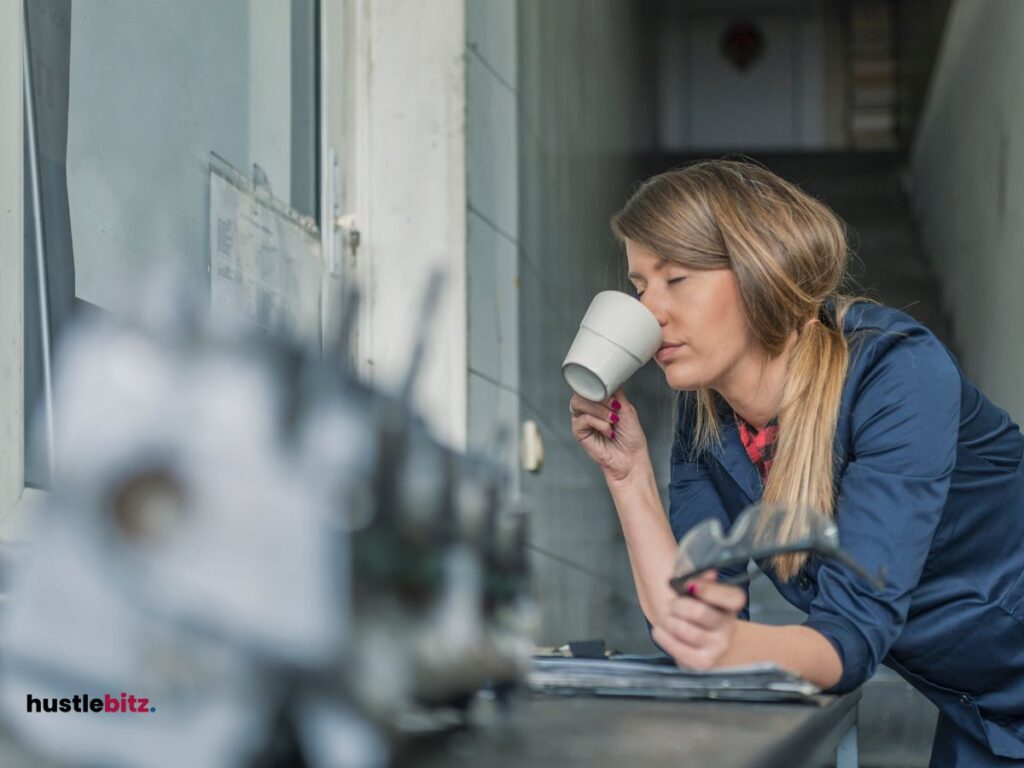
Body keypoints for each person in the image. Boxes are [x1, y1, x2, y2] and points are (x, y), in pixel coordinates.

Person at [569, 159, 1024, 767]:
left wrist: (733, 647)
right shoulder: (706, 416)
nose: (650, 313)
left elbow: (850, 637)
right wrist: (628, 477)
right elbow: (692, 616)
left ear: (759, 272)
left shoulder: (897, 374)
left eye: (675, 278)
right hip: (980, 709)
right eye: (640, 287)